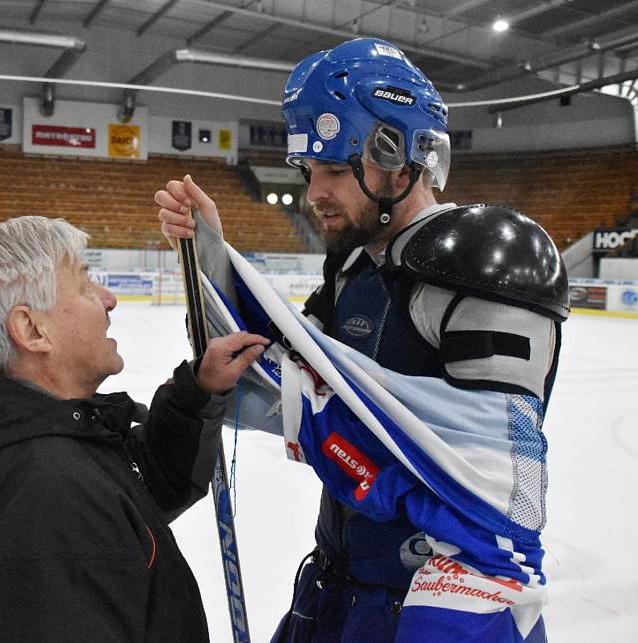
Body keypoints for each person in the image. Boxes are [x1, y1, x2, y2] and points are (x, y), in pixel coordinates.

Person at [156, 37, 567, 642]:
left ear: (398, 158)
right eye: (309, 170)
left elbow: (497, 480)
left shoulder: (483, 259)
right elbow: (285, 375)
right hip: (335, 592)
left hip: (439, 606)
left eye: (333, 170)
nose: (313, 192)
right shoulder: (352, 270)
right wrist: (213, 259)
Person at [0, 215, 268, 642]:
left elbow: (136, 489)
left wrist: (197, 394)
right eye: (85, 285)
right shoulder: (45, 496)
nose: (109, 299)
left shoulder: (48, 445)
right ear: (31, 329)